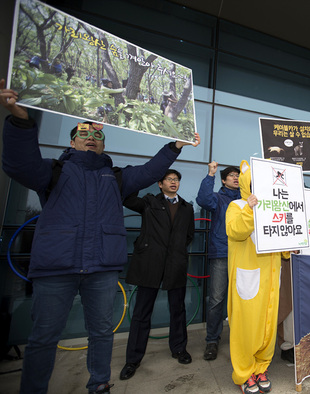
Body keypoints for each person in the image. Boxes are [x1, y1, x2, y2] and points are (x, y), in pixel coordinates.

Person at [0, 78, 200, 394]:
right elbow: (17, 163)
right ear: (72, 143)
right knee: (43, 339)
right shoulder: (52, 171)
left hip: (102, 271)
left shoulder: (116, 177)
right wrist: (20, 121)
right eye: (84, 134)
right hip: (55, 270)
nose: (91, 138)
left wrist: (175, 145)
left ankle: (99, 384)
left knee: (102, 332)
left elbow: (150, 171)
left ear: (103, 144)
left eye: (97, 135)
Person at [119, 169, 195, 381]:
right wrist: (144, 177)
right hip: (150, 262)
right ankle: (132, 359)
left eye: (176, 179)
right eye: (169, 179)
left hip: (175, 263)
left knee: (178, 310)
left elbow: (189, 235)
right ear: (160, 184)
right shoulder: (148, 202)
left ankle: (179, 349)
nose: (173, 182)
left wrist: (177, 250)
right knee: (142, 312)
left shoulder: (187, 208)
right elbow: (126, 198)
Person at [226, 160, 291, 394]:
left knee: (267, 328)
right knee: (246, 329)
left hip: (272, 280)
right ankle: (243, 373)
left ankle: (261, 368)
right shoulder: (237, 205)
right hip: (249, 279)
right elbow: (235, 231)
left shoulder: (275, 206)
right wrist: (250, 209)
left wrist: (290, 246)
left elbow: (281, 241)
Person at [196, 161, 241, 360]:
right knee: (216, 300)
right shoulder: (218, 198)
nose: (236, 177)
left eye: (238, 175)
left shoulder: (247, 199)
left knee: (242, 299)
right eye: (231, 175)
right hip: (222, 254)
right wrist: (210, 175)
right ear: (224, 180)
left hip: (245, 256)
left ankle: (241, 339)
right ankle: (212, 340)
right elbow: (203, 199)